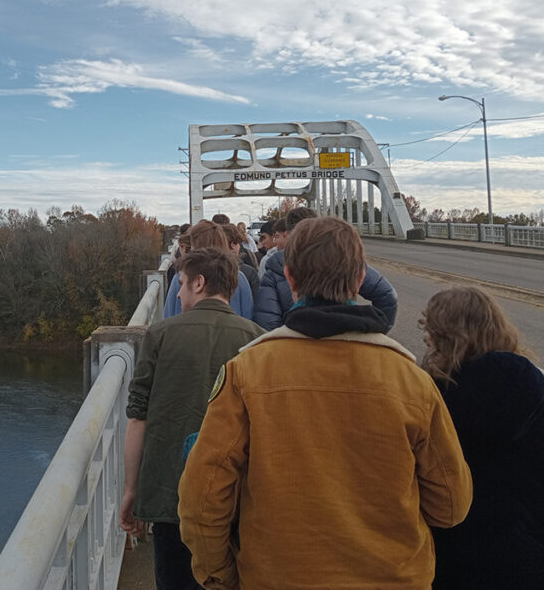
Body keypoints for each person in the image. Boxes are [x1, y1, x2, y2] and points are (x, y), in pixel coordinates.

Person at [178, 216, 472, 590]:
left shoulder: (246, 372)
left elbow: (201, 500)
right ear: (359, 280)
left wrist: (221, 576)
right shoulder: (411, 381)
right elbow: (450, 506)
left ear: (289, 277)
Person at [420, 287, 544, 590]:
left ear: (440, 336)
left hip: (451, 565)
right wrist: (539, 538)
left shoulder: (429, 399)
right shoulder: (528, 391)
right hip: (530, 567)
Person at [121, 247, 264, 590]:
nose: (179, 292)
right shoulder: (258, 340)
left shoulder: (160, 335)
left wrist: (132, 490)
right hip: (234, 494)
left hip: (171, 494)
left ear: (199, 283)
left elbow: (137, 419)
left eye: (182, 284)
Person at [253, 207, 399, 330]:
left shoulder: (274, 265)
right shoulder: (398, 363)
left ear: (290, 278)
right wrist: (374, 333)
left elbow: (267, 322)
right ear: (360, 278)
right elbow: (387, 295)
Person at [163, 221, 254, 320]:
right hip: (233, 332)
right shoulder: (238, 277)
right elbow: (247, 314)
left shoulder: (182, 277)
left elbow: (169, 315)